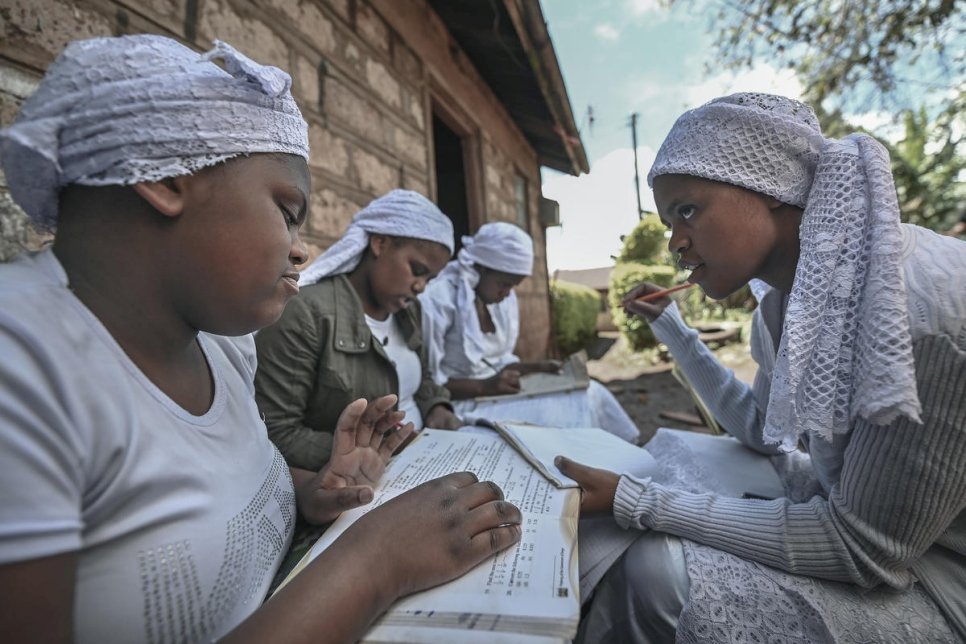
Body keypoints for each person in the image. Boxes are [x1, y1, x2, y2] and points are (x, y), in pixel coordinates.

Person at [0, 34, 521, 644]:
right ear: (169, 178)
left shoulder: (223, 345)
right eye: (288, 210)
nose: (301, 248)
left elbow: (242, 491)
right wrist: (373, 562)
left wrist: (317, 492)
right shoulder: (23, 363)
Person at [555, 93, 966, 642]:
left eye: (687, 211)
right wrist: (672, 327)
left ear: (770, 187)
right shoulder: (785, 301)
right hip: (862, 526)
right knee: (685, 449)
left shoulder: (918, 315)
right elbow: (760, 428)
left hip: (937, 580)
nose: (676, 243)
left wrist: (639, 502)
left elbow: (865, 548)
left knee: (653, 574)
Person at [254, 189, 462, 475]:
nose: (421, 286)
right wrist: (377, 450)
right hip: (359, 479)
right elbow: (277, 431)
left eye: (430, 278)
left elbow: (423, 378)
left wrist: (439, 408)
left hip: (425, 459)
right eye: (417, 269)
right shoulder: (307, 315)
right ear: (380, 243)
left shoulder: (409, 313)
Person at [421, 221, 639, 441]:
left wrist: (537, 367)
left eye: (513, 286)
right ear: (480, 268)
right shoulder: (438, 300)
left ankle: (625, 457)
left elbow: (496, 362)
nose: (507, 294)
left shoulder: (500, 302)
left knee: (592, 392)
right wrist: (483, 386)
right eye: (503, 284)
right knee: (567, 416)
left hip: (496, 393)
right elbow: (428, 385)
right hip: (465, 403)